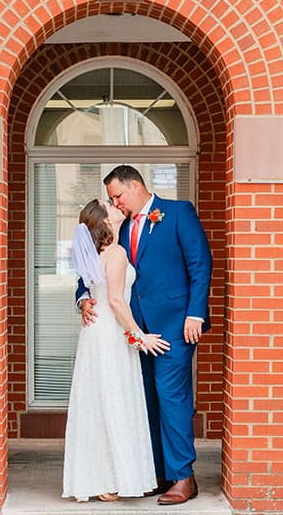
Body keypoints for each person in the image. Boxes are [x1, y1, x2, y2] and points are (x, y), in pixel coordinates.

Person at [79, 164, 212, 506]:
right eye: (112, 199)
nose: (116, 203)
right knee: (144, 401)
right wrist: (83, 297)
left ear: (135, 186)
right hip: (131, 333)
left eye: (118, 196)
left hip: (174, 327)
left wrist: (195, 312)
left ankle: (184, 477)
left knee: (171, 397)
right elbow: (92, 262)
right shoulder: (117, 228)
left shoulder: (178, 213)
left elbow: (200, 264)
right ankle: (155, 473)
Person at [62, 199, 170, 503]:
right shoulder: (117, 253)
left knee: (98, 404)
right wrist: (141, 337)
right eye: (109, 206)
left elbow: (90, 289)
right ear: (106, 222)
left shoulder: (95, 254)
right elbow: (116, 301)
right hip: (111, 334)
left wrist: (86, 301)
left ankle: (99, 480)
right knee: (114, 403)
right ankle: (112, 479)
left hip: (94, 335)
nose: (115, 205)